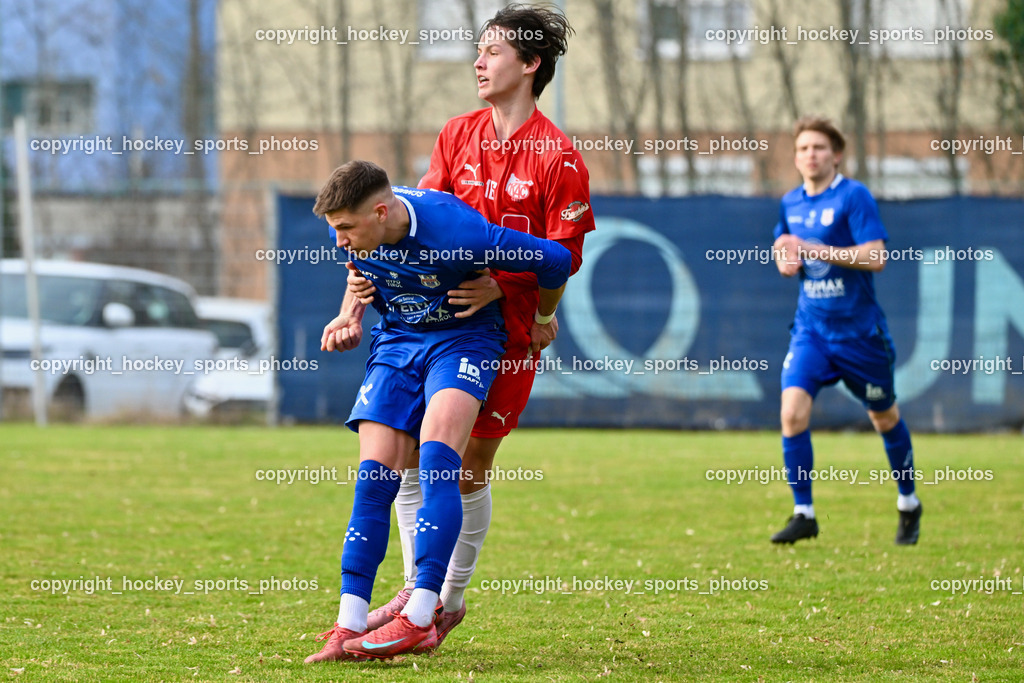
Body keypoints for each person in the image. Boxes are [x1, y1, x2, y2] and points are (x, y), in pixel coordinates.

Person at [346, 3, 594, 643]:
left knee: (469, 465)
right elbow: (421, 217)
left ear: (531, 65)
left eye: (493, 50)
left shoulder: (560, 159)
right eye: (479, 49)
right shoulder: (457, 135)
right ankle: (416, 596)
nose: (478, 61)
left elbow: (562, 260)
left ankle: (445, 600)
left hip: (504, 334)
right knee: (412, 462)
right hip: (434, 325)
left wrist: (533, 310)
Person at [303, 160, 570, 662]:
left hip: (463, 340)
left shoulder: (456, 229)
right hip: (399, 340)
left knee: (439, 463)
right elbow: (360, 269)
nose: (339, 241)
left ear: (381, 213)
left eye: (344, 229)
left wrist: (542, 316)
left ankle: (422, 614)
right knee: (373, 480)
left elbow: (555, 259)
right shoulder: (367, 232)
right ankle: (348, 624)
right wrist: (350, 314)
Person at [770, 115, 922, 545]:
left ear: (836, 155)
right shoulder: (790, 203)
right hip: (811, 332)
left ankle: (908, 502)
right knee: (791, 413)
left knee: (883, 416)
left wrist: (815, 249)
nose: (810, 155)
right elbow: (785, 248)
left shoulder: (855, 196)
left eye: (818, 147)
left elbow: (875, 257)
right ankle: (805, 513)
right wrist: (786, 259)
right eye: (802, 148)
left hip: (860, 335)